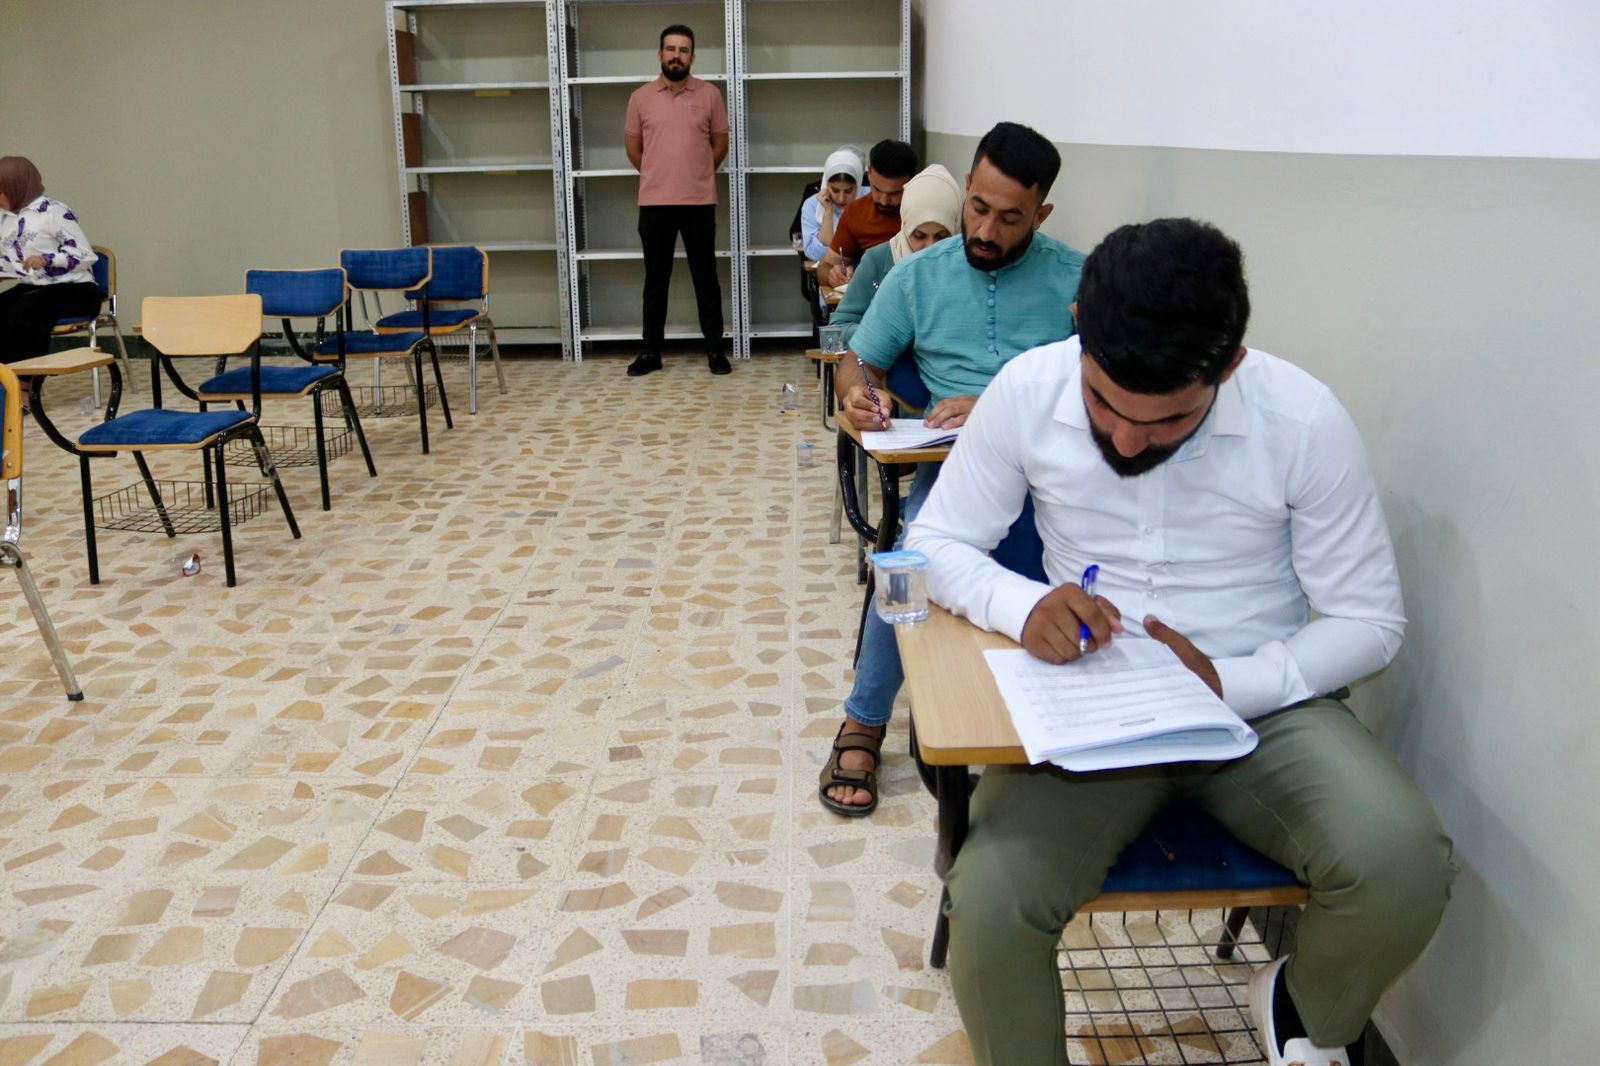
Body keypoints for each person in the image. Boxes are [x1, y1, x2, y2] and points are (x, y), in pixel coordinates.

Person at [905, 217, 1456, 1066]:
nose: (1127, 440)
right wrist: (1025, 606)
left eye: (1167, 421)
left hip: (1258, 705)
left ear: (1228, 367)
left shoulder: (1303, 419)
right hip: (1091, 707)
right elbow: (936, 544)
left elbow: (1370, 621)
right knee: (989, 904)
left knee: (1404, 862)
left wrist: (1232, 682)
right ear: (1079, 324)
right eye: (1103, 404)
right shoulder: (1025, 390)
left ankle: (1304, 1012)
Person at [818, 122, 1084, 816]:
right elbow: (860, 358)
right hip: (954, 467)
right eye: (978, 207)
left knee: (1063, 560)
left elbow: (1112, 381)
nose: (986, 231)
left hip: (1055, 472)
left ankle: (1030, 722)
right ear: (966, 188)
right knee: (909, 560)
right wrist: (862, 392)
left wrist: (1000, 405)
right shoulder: (917, 277)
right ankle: (864, 721)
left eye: (1010, 218)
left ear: (1042, 214)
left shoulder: (1079, 279)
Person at [623, 24, 730, 377]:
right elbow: (634, 149)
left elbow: (720, 144)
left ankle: (715, 350)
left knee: (706, 277)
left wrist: (697, 173)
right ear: (660, 54)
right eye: (670, 49)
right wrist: (658, 174)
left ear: (692, 57)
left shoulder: (710, 95)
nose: (676, 56)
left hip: (699, 202)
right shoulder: (640, 98)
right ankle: (650, 352)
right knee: (656, 279)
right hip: (654, 203)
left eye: (683, 50)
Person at [826, 163, 961, 347]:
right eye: (919, 235)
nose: (929, 248)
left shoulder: (968, 264)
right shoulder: (879, 260)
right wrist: (888, 333)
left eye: (942, 236)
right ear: (905, 225)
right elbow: (836, 331)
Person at [0, 156, 101, 364]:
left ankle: (28, 378)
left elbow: (85, 255)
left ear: (16, 186)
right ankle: (5, 375)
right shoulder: (6, 217)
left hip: (77, 289)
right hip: (35, 287)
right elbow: (12, 260)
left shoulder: (53, 211)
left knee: (25, 311)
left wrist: (47, 259)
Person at [816, 138, 917, 288]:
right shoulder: (856, 212)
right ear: (869, 173)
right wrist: (832, 276)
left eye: (894, 193)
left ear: (912, 181)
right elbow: (825, 267)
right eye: (877, 190)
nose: (884, 201)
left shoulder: (924, 211)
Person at [799, 146, 864, 263]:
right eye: (835, 190)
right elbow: (815, 255)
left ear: (858, 186)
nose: (841, 198)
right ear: (825, 184)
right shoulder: (812, 205)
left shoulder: (870, 199)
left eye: (848, 191)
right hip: (827, 270)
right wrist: (827, 212)